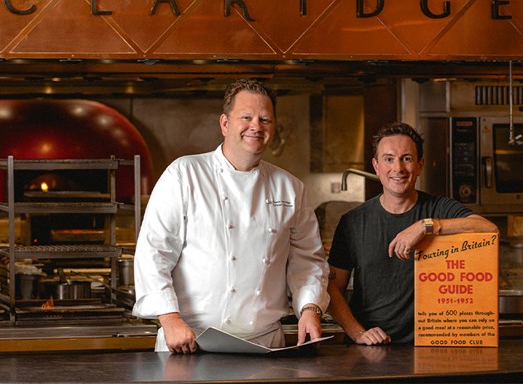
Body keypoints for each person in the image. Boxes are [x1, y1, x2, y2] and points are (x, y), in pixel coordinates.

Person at [133, 78, 330, 354]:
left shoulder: (290, 187)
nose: (256, 127)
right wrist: (169, 318)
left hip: (264, 346)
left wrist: (310, 309)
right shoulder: (184, 174)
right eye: (246, 117)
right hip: (189, 342)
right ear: (225, 123)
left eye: (265, 120)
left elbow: (307, 260)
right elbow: (153, 253)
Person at [327, 122, 498, 346]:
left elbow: (489, 229)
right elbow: (332, 288)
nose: (398, 168)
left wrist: (427, 226)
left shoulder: (439, 210)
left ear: (420, 166)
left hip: (431, 347)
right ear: (376, 166)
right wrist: (358, 333)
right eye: (389, 159)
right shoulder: (353, 222)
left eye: (406, 158)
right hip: (370, 349)